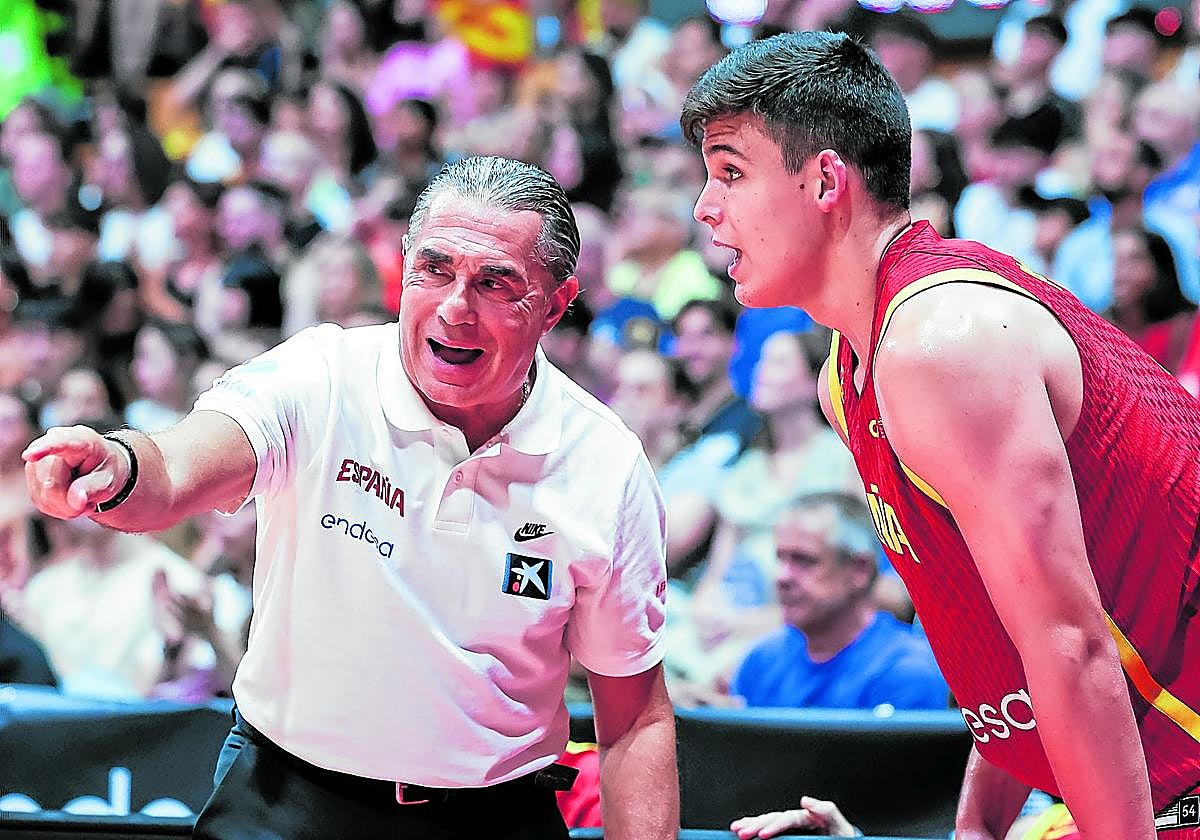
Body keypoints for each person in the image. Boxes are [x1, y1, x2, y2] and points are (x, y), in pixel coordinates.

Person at [23, 156, 678, 840]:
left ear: (555, 305)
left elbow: (633, 720)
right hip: (286, 799)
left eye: (494, 284)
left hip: (494, 819)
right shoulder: (320, 377)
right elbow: (174, 469)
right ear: (404, 266)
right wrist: (117, 466)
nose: (456, 307)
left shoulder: (606, 465)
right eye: (435, 269)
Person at [683, 31, 1200, 840]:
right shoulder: (851, 369)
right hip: (1138, 768)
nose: (704, 208)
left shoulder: (940, 341)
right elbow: (1004, 628)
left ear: (825, 180)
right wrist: (976, 831)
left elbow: (1070, 645)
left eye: (730, 174)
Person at [730, 492, 946, 711]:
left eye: (804, 560)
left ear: (860, 569)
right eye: (780, 558)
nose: (782, 577)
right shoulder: (760, 661)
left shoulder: (907, 672)